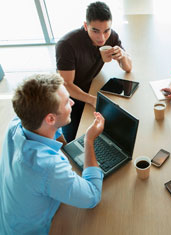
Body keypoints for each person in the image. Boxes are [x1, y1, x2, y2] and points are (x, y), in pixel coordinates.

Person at [0, 74, 105, 234]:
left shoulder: (18, 122)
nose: (72, 102)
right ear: (50, 118)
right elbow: (92, 196)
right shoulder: (46, 166)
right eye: (66, 102)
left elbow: (55, 129)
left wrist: (68, 147)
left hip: (9, 217)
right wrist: (89, 140)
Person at [56, 1, 132, 142]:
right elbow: (66, 84)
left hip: (91, 87)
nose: (102, 38)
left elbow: (128, 68)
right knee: (73, 139)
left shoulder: (112, 36)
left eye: (106, 30)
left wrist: (123, 55)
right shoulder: (66, 45)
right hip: (69, 97)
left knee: (116, 129)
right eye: (95, 31)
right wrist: (92, 100)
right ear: (86, 26)